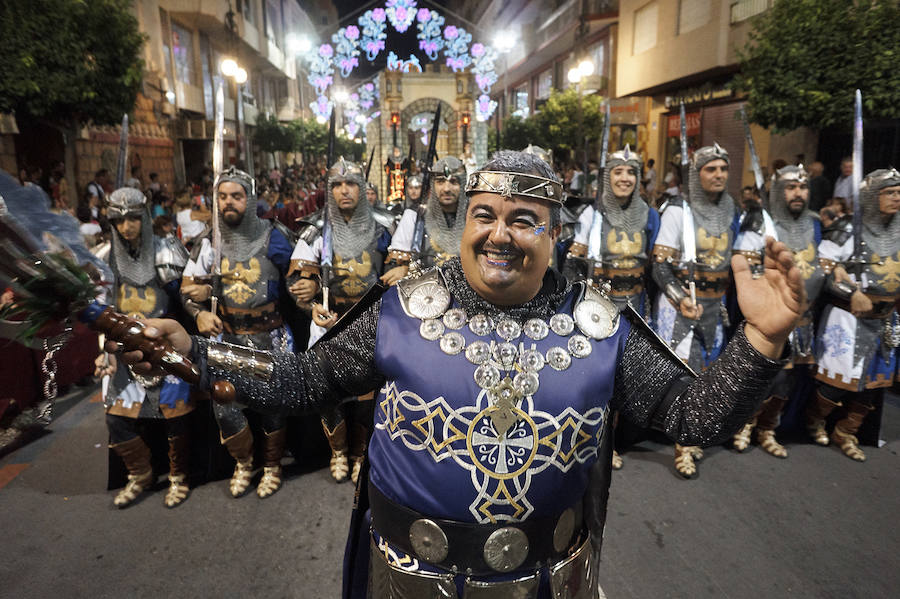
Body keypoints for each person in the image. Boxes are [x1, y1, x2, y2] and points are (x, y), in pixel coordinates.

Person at [115, 149, 802, 599]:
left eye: (524, 219)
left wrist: (761, 339)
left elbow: (695, 415)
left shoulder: (601, 323)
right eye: (485, 214)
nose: (500, 233)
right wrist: (200, 355)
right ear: (464, 221)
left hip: (546, 582)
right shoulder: (403, 308)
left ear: (557, 235)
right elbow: (302, 381)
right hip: (405, 578)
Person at [180, 166, 295, 498]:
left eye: (237, 196)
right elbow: (186, 290)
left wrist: (305, 288)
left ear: (251, 199)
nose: (229, 202)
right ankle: (244, 464)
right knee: (226, 408)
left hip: (269, 335)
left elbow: (302, 276)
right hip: (227, 337)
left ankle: (272, 466)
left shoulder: (276, 236)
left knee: (273, 405)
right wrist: (198, 313)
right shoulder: (208, 242)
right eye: (223, 196)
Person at [287, 158, 394, 484]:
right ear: (329, 189)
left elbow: (398, 273)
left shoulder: (385, 227)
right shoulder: (316, 230)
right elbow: (298, 282)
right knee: (328, 394)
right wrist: (308, 302)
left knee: (367, 397)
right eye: (336, 184)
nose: (343, 191)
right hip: (328, 322)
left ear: (361, 187)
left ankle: (362, 453)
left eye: (350, 184)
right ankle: (337, 452)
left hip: (372, 324)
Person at [93, 187, 192, 508]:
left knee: (175, 416)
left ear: (144, 217)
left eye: (134, 218)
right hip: (127, 354)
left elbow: (185, 303)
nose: (127, 226)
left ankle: (179, 477)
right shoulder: (106, 258)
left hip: (164, 348)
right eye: (119, 220)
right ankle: (140, 474)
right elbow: (100, 312)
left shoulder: (165, 251)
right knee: (117, 419)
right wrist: (105, 350)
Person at [563, 145, 660, 468]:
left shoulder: (650, 215)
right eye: (618, 172)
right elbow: (573, 264)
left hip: (635, 306)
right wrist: (582, 299)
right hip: (599, 308)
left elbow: (656, 266)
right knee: (599, 377)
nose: (625, 178)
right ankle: (598, 442)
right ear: (607, 177)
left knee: (623, 377)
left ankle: (614, 440)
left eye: (631, 172)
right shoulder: (593, 213)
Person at [651, 143, 739, 477]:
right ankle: (682, 444)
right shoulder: (677, 210)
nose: (718, 175)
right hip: (681, 305)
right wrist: (679, 298)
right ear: (696, 174)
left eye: (723, 168)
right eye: (710, 169)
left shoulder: (732, 209)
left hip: (715, 305)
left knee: (707, 375)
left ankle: (692, 432)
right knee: (683, 377)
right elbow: (659, 266)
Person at [732, 166, 825, 457]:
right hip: (771, 313)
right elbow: (746, 270)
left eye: (803, 187)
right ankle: (745, 424)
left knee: (791, 378)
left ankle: (768, 429)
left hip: (804, 317)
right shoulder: (758, 221)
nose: (799, 193)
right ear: (778, 191)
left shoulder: (814, 224)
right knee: (763, 376)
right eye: (791, 187)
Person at [809, 168, 900, 461]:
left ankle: (846, 432)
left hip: (886, 318)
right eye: (890, 192)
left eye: (899, 192)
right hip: (849, 318)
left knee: (873, 385)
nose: (897, 197)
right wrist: (853, 293)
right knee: (836, 383)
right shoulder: (848, 228)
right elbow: (824, 270)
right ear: (872, 197)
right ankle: (815, 420)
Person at [384, 156, 468, 277]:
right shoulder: (414, 216)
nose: (446, 188)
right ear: (432, 185)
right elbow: (396, 266)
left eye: (454, 181)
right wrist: (404, 270)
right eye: (440, 181)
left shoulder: (474, 217)